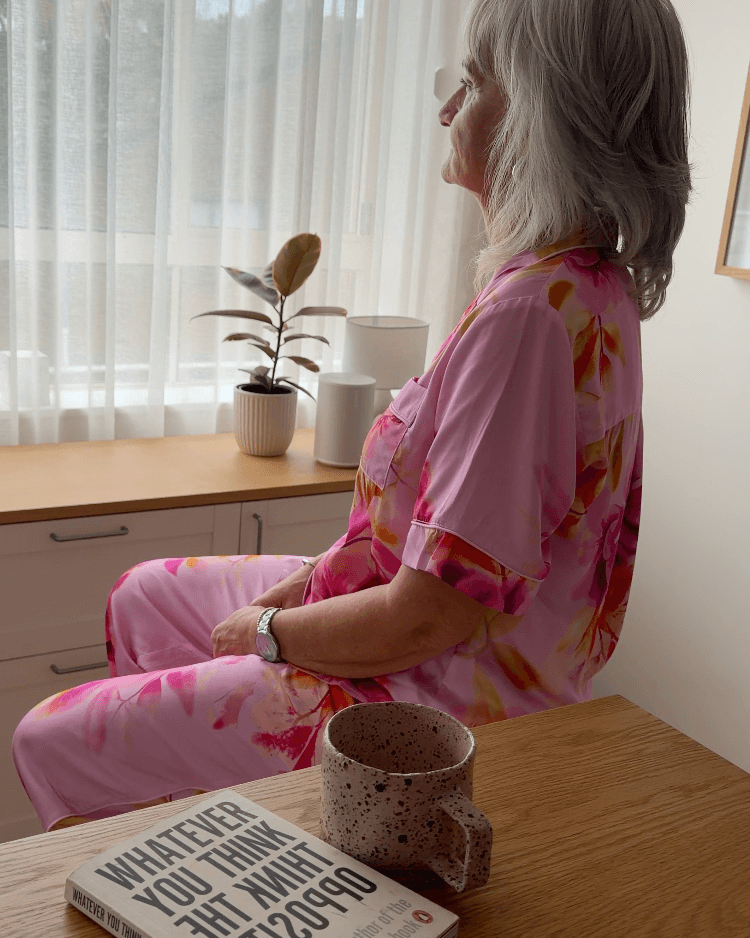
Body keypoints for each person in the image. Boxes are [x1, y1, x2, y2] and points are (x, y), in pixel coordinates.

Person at [13, 0, 694, 833]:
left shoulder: (530, 317)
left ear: (538, 115)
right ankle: (219, 826)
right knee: (145, 596)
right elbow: (414, 533)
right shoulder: (579, 282)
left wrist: (269, 633)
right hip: (431, 639)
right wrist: (301, 590)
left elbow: (430, 615)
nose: (448, 106)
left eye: (474, 82)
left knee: (49, 737)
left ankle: (216, 831)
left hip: (431, 703)